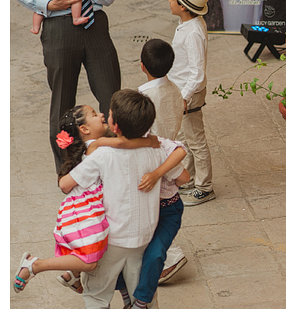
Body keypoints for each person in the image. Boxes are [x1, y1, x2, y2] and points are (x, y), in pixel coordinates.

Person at [59, 89, 189, 309]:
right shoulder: (157, 149)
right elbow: (181, 176)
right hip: (144, 239)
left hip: (112, 242)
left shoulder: (102, 155)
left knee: (96, 301)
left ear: (115, 126)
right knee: (145, 300)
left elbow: (66, 184)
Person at [12, 104, 187, 297]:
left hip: (89, 212)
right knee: (93, 259)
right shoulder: (96, 146)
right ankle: (35, 265)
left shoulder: (90, 148)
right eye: (94, 114)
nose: (102, 114)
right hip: (86, 214)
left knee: (98, 252)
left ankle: (72, 274)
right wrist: (149, 142)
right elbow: (120, 145)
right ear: (84, 129)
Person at [10, 0, 121, 172]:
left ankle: (114, 163)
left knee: (112, 99)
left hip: (94, 25)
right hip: (59, 26)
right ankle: (68, 170)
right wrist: (46, 4)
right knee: (62, 102)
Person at [110, 40, 191, 309]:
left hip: (153, 156)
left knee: (138, 236)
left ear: (142, 66)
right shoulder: (176, 90)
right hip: (166, 153)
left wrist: (156, 171)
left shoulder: (143, 95)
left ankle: (139, 292)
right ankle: (139, 292)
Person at [166, 0, 216, 206]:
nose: (169, 0)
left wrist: (184, 97)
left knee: (196, 139)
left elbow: (197, 72)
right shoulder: (186, 24)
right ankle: (191, 178)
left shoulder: (193, 32)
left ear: (184, 7)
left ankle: (204, 186)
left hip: (190, 93)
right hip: (182, 90)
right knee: (186, 137)